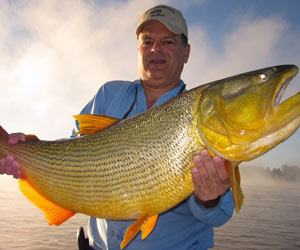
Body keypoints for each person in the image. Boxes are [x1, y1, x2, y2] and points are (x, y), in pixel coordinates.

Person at [0, 4, 234, 250]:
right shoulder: (108, 93)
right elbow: (72, 151)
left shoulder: (208, 118)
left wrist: (210, 199)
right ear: (138, 50)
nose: (156, 49)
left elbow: (220, 215)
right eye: (147, 42)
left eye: (167, 42)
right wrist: (26, 150)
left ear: (185, 53)